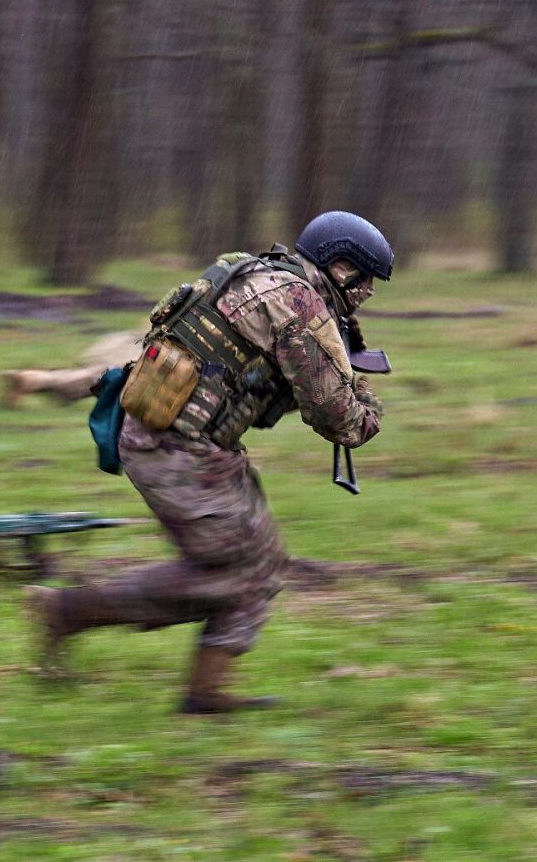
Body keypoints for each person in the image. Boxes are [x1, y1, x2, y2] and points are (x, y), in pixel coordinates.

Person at [25, 210, 389, 714]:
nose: (367, 293)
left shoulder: (255, 272)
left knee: (252, 564)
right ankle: (69, 613)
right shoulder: (300, 303)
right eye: (366, 279)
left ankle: (202, 690)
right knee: (244, 570)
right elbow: (340, 418)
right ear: (341, 266)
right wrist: (367, 401)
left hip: (170, 438)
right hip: (178, 448)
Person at [0, 331, 144, 408]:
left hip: (137, 347)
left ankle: (35, 379)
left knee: (94, 380)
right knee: (95, 380)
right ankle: (32, 380)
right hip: (141, 352)